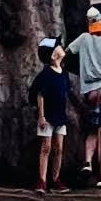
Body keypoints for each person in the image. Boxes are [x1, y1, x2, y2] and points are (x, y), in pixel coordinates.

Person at [69, 0, 101, 185]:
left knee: (92, 129)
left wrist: (80, 71)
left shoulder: (83, 39)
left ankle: (88, 163)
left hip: (90, 92)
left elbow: (67, 53)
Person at [31, 34, 74, 190]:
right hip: (47, 116)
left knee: (59, 148)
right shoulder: (47, 73)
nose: (61, 47)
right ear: (52, 53)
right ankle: (42, 180)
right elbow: (40, 94)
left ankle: (56, 179)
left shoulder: (64, 72)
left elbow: (68, 92)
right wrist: (41, 116)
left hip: (60, 116)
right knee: (46, 147)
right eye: (58, 45)